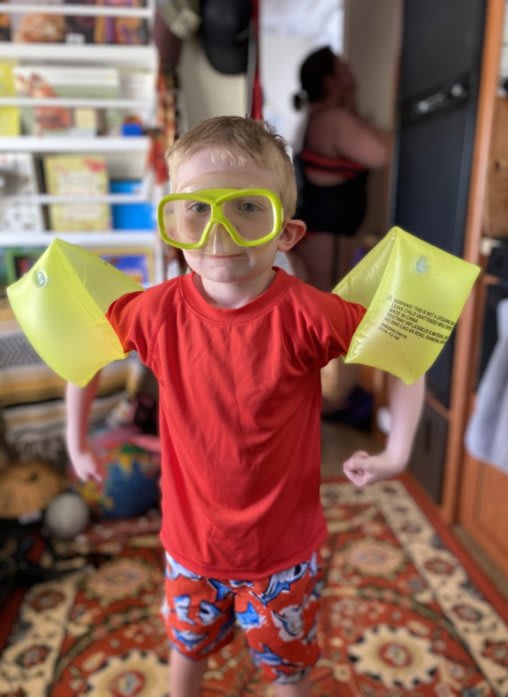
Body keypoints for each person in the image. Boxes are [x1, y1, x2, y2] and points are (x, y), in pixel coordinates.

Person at [65, 115, 425, 697]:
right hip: (190, 548)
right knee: (188, 653)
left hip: (284, 554)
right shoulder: (155, 312)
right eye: (198, 208)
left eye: (248, 208)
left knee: (290, 672)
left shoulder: (308, 314)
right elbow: (81, 346)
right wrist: (77, 438)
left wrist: (398, 449)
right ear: (173, 223)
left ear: (288, 232)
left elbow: (405, 348)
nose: (219, 231)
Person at [291, 45, 391, 292]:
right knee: (329, 314)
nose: (348, 66)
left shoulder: (315, 119)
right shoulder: (333, 120)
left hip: (320, 240)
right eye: (341, 64)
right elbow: (383, 153)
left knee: (331, 313)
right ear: (330, 80)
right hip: (326, 244)